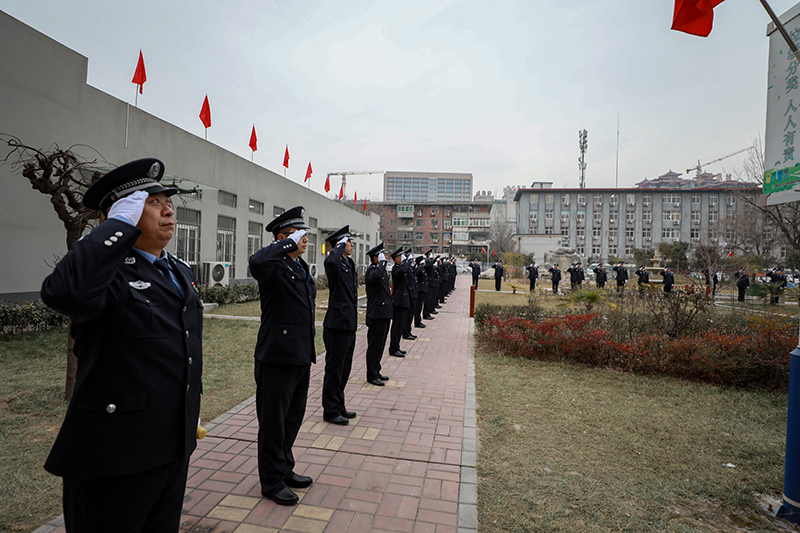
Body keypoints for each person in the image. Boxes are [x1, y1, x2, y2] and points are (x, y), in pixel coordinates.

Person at [40, 158, 203, 531]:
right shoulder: (105, 271)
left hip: (171, 444)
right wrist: (115, 228)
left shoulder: (178, 271)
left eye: (168, 201)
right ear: (121, 212)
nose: (167, 209)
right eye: (151, 201)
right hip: (115, 455)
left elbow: (184, 345)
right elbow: (63, 292)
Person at [250, 206, 316, 506]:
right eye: (298, 235)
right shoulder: (273, 266)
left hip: (300, 354)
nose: (305, 240)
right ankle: (271, 481)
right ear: (282, 238)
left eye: (306, 234)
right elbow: (256, 260)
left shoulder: (299, 267)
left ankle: (285, 468)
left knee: (292, 419)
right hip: (276, 355)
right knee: (273, 422)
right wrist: (285, 245)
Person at [321, 226, 358, 426]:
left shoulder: (347, 263)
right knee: (334, 369)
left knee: (344, 369)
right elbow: (329, 261)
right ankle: (330, 410)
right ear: (340, 244)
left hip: (348, 323)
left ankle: (339, 405)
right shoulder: (334, 263)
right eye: (348, 242)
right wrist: (338, 246)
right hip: (337, 325)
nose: (351, 245)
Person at [364, 243, 392, 386]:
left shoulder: (380, 271)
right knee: (374, 346)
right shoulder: (372, 271)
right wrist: (382, 263)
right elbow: (377, 275)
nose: (386, 258)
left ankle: (376, 369)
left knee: (380, 345)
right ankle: (371, 374)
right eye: (382, 256)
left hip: (384, 313)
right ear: (375, 259)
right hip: (376, 314)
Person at [388, 247, 411, 357]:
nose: (402, 258)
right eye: (400, 257)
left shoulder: (400, 268)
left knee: (400, 326)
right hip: (398, 301)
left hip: (403, 301)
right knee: (396, 327)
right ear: (396, 259)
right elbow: (403, 270)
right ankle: (393, 348)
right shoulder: (396, 269)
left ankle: (397, 346)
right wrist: (406, 261)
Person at [414, 256, 428, 328]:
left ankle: (419, 321)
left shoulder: (423, 269)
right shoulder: (419, 269)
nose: (425, 263)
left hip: (423, 290)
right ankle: (417, 322)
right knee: (418, 307)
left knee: (420, 307)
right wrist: (421, 265)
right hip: (420, 290)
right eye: (423, 262)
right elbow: (417, 273)